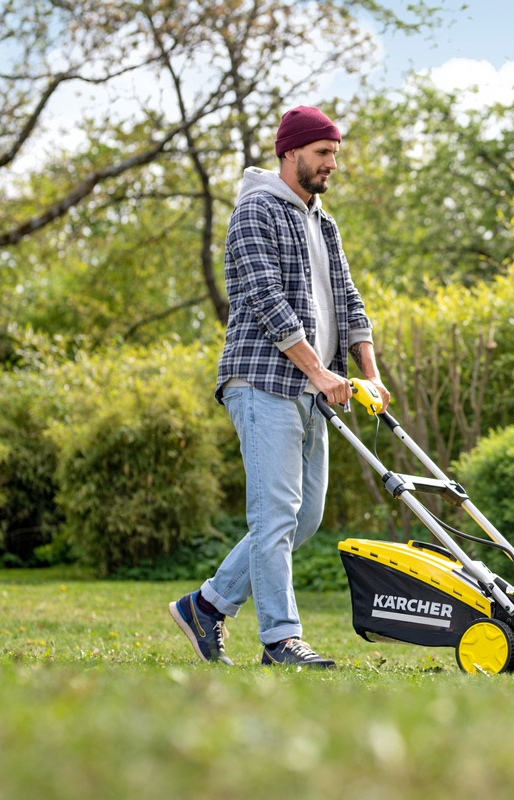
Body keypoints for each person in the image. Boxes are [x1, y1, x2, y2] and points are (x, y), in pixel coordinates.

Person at [169, 106, 391, 668]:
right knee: (274, 515)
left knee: (303, 517)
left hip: (315, 389)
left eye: (335, 154)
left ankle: (208, 605)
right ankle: (281, 639)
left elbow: (349, 299)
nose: (331, 164)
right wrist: (319, 371)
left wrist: (370, 372)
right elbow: (267, 300)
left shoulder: (324, 222)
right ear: (290, 152)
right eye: (322, 154)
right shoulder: (255, 211)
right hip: (263, 381)